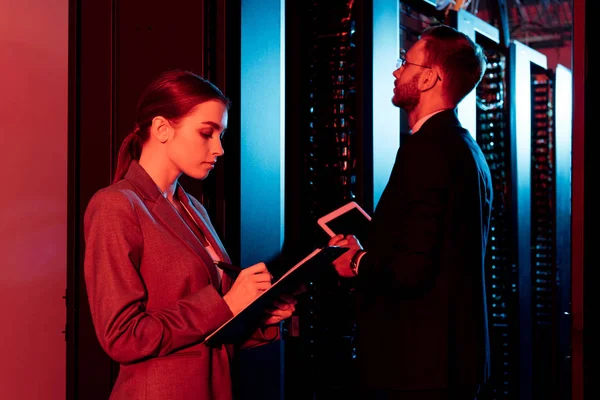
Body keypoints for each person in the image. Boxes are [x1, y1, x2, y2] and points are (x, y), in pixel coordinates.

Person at [83, 69, 296, 400]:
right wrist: (224, 304)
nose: (219, 149)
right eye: (206, 133)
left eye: (220, 135)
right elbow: (123, 337)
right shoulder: (115, 206)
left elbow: (210, 330)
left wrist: (260, 315)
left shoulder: (192, 207)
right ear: (162, 129)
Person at [329, 25, 493, 400]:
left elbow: (414, 268)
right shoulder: (466, 149)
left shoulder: (427, 150)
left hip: (420, 368)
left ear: (429, 78)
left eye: (405, 63)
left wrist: (356, 262)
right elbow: (440, 251)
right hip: (449, 363)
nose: (396, 71)